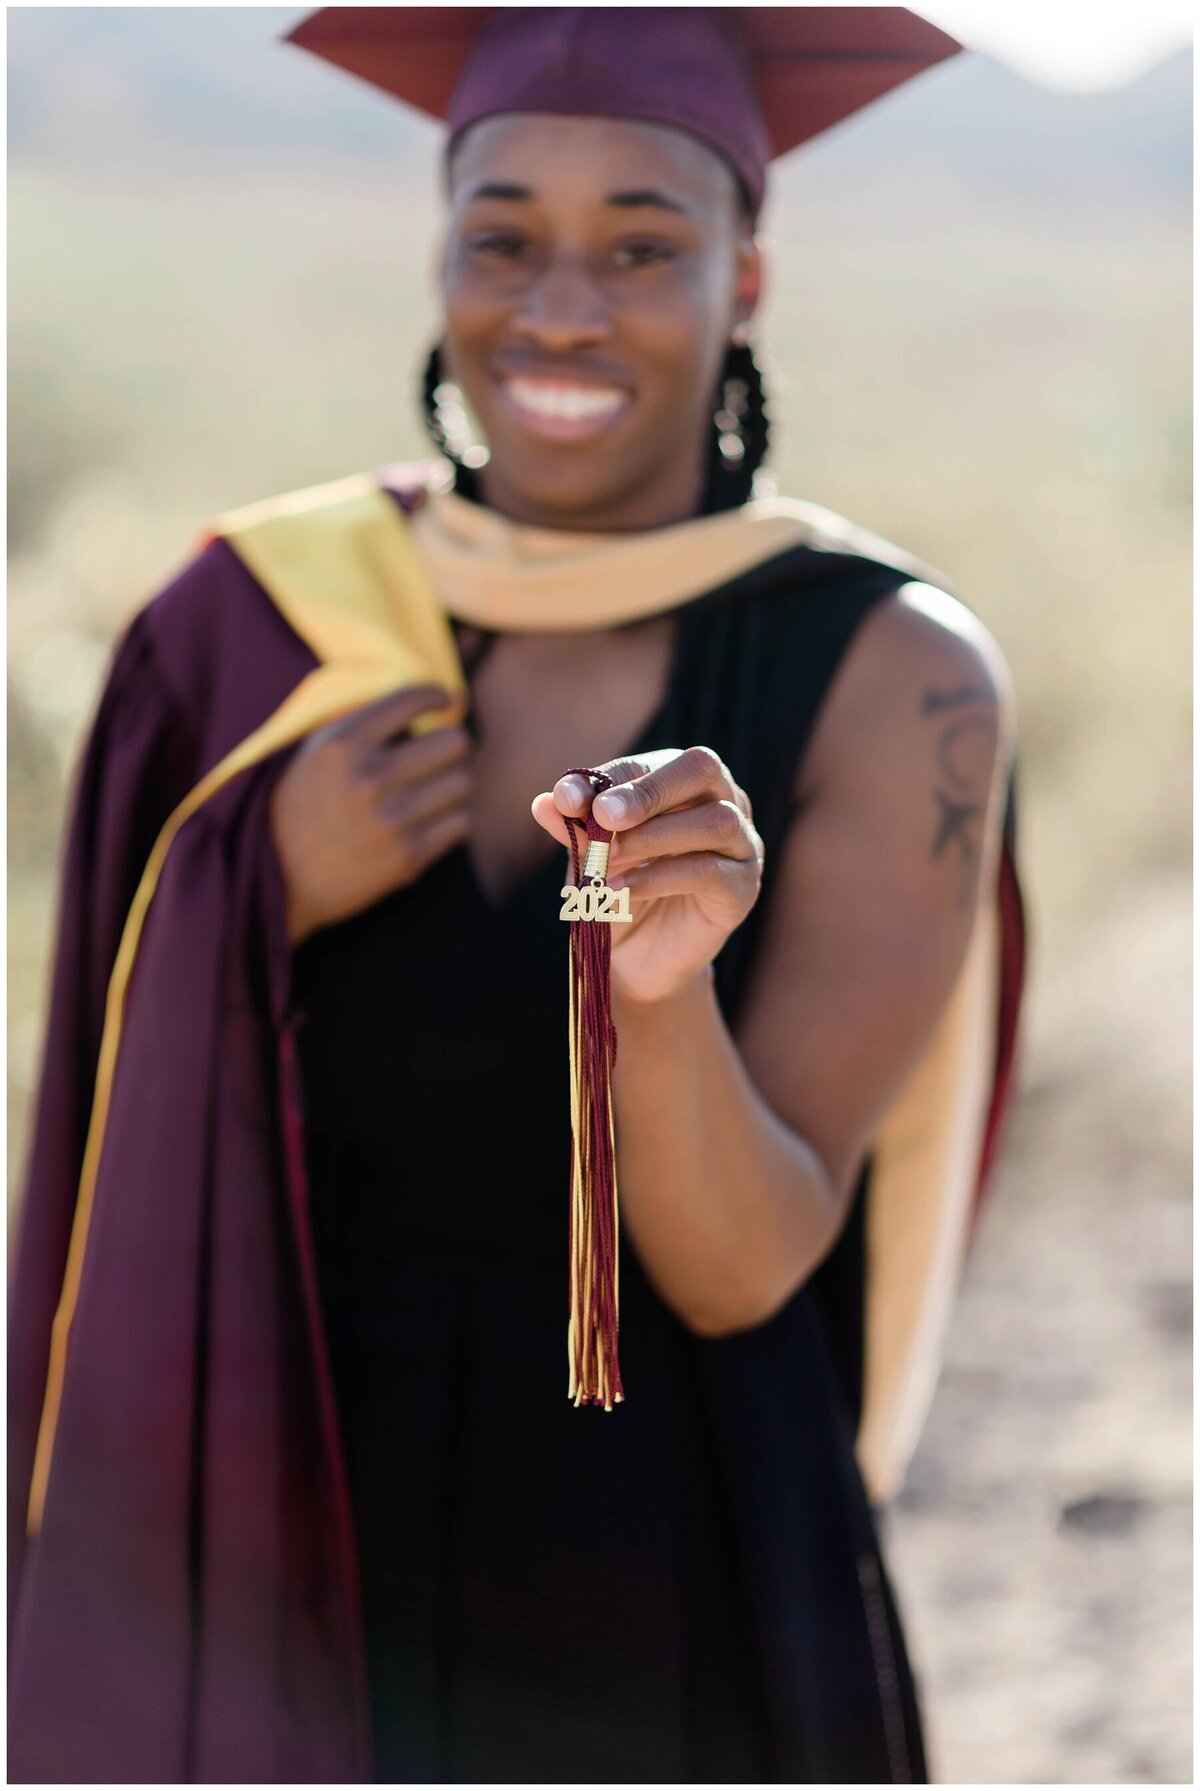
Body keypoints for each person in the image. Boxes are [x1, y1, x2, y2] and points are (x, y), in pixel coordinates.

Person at [8, 7, 1027, 1783]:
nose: (559, 309)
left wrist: (663, 991)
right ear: (441, 254)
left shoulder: (891, 672)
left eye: (644, 244)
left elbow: (740, 1271)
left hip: (677, 1580)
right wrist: (254, 888)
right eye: (504, 239)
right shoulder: (251, 628)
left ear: (750, 275)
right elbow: (99, 1133)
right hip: (291, 1528)